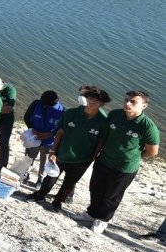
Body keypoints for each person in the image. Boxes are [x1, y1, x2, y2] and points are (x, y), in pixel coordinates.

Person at [77, 90, 159, 234]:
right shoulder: (114, 115)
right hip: (104, 160)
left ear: (144, 106)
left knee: (111, 196)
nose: (127, 103)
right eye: (126, 99)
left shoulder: (148, 126)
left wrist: (131, 156)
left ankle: (103, 220)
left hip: (124, 168)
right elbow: (104, 135)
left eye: (133, 102)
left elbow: (152, 152)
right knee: (95, 189)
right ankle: (92, 214)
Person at [32, 86, 110, 210]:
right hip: (62, 153)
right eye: (89, 98)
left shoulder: (104, 121)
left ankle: (58, 201)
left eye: (96, 100)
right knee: (51, 177)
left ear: (102, 103)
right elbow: (60, 132)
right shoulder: (71, 113)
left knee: (69, 183)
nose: (91, 102)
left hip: (82, 159)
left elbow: (101, 141)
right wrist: (53, 150)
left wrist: (93, 156)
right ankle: (40, 194)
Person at [21, 90, 65, 185]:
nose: (44, 106)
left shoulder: (62, 111)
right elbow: (27, 117)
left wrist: (50, 134)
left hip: (49, 142)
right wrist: (32, 129)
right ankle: (25, 176)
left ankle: (40, 180)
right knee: (29, 158)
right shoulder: (36, 104)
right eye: (43, 104)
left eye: (47, 106)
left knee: (45, 162)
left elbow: (61, 128)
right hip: (33, 137)